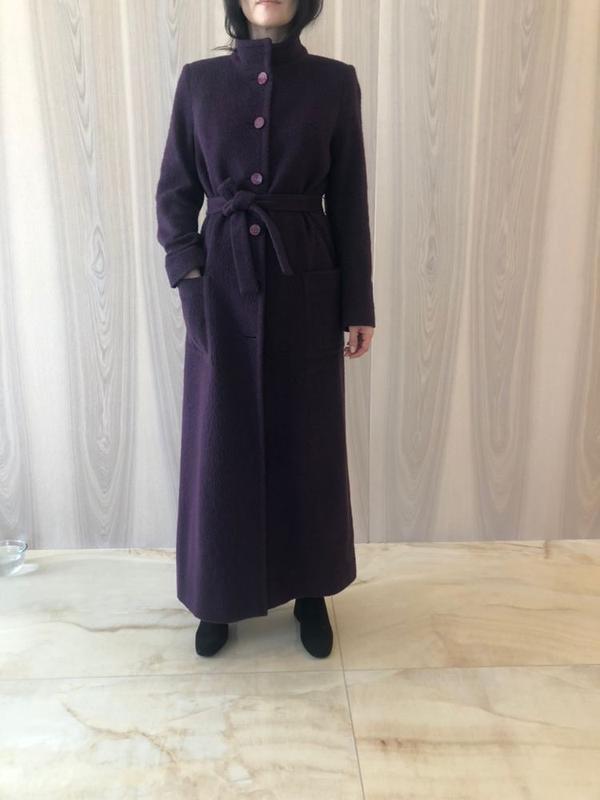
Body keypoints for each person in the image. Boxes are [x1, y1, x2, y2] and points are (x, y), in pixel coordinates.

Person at [155, 0, 376, 658]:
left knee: (306, 442)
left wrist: (357, 303)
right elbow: (175, 192)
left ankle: (311, 591)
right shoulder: (199, 83)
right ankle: (217, 593)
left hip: (306, 282)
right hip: (222, 284)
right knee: (219, 443)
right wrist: (189, 275)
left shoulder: (334, 82)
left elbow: (349, 197)